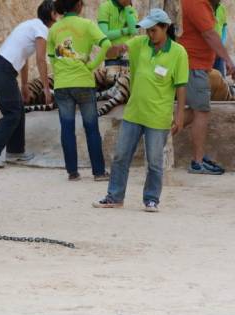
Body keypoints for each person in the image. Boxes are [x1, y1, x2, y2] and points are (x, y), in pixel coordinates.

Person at [93, 9, 188, 213]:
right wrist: (112, 48)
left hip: (158, 117)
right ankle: (114, 197)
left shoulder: (179, 53)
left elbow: (181, 86)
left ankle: (151, 199)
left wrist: (179, 115)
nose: (149, 34)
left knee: (154, 162)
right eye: (147, 31)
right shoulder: (139, 44)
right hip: (134, 113)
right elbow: (113, 51)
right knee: (120, 157)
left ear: (165, 28)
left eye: (153, 30)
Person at [0, 0, 57, 168]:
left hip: (1, 67)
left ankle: (15, 152)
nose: (60, 15)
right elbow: (41, 60)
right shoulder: (41, 29)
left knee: (18, 108)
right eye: (58, 12)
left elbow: (24, 59)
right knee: (12, 112)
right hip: (3, 69)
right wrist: (45, 88)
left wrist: (24, 85)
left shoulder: (30, 25)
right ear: (52, 14)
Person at [48, 0, 112, 181]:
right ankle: (99, 172)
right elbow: (106, 44)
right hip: (83, 82)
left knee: (67, 128)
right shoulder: (87, 25)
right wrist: (92, 64)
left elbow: (52, 57)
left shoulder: (54, 29)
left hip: (62, 84)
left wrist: (60, 72)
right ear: (78, 6)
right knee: (91, 128)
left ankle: (72, 172)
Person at [179, 0, 235, 175]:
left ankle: (162, 135)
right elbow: (210, 33)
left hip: (198, 66)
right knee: (201, 111)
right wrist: (228, 60)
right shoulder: (196, 2)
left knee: (196, 110)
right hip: (193, 65)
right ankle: (197, 161)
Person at [97, 0, 138, 84]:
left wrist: (127, 8)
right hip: (109, 58)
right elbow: (104, 34)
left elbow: (134, 30)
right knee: (109, 88)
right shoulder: (105, 7)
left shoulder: (131, 10)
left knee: (125, 90)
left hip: (127, 59)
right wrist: (125, 30)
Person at [211, 0, 228, 76]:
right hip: (206, 52)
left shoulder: (222, 8)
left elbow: (224, 27)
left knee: (221, 80)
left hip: (219, 53)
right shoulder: (202, 8)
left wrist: (222, 44)